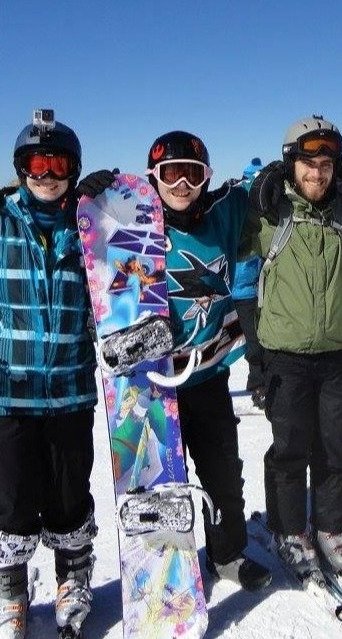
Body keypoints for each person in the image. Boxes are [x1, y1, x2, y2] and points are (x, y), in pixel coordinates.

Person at [0, 108, 111, 639]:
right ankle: (11, 592)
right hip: (6, 392)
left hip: (69, 390)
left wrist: (112, 202)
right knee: (11, 499)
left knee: (68, 495)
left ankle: (72, 577)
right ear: (20, 168)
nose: (46, 173)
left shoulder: (86, 224)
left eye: (57, 162)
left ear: (72, 167)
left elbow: (121, 280)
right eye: (35, 163)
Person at [143, 131, 271, 591]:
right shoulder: (136, 229)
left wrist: (273, 177)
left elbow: (262, 188)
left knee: (221, 469)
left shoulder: (223, 212)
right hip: (154, 380)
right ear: (153, 179)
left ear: (205, 177)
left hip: (209, 372)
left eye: (192, 173)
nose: (181, 184)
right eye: (170, 174)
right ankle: (167, 564)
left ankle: (228, 553)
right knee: (162, 480)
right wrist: (89, 194)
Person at [243, 115, 342, 584]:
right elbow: (214, 226)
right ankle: (290, 529)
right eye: (309, 163)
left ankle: (332, 528)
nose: (318, 173)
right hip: (285, 357)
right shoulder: (270, 214)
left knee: (335, 449)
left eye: (328, 165)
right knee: (290, 449)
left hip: (335, 355)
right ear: (291, 164)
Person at [232, 158, 265, 409]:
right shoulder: (241, 203)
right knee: (255, 342)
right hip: (240, 289)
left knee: (255, 342)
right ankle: (258, 385)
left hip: (235, 289)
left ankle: (259, 385)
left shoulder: (250, 203)